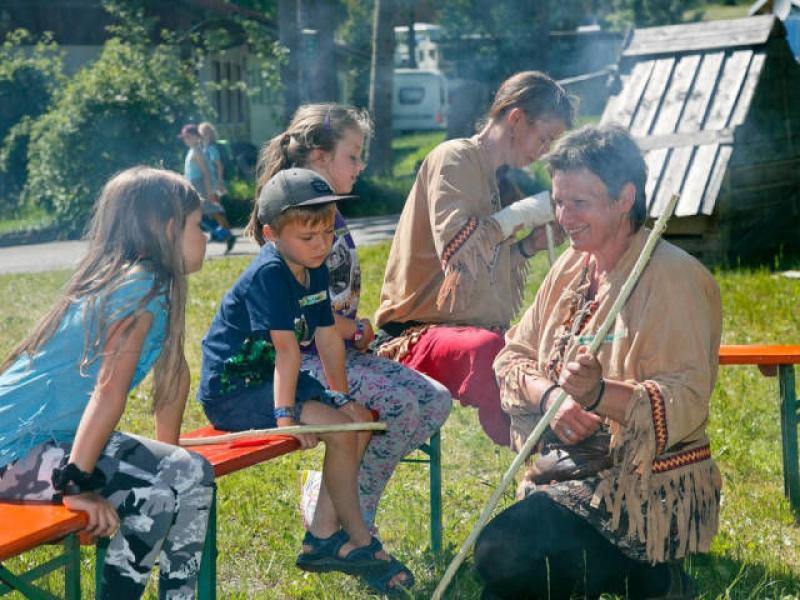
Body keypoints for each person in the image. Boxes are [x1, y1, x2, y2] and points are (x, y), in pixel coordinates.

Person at [474, 125, 722, 599]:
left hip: (644, 487)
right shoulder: (572, 265)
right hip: (569, 472)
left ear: (624, 197)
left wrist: (599, 394)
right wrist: (551, 397)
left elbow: (688, 399)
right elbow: (514, 354)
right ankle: (622, 576)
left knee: (504, 552)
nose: (564, 217)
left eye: (579, 203)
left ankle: (650, 569)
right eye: (558, 201)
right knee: (501, 560)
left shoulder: (674, 278)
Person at [0, 167, 214, 599]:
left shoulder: (152, 285)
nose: (206, 236)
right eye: (198, 225)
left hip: (52, 443)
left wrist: (171, 457)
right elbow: (107, 391)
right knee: (152, 495)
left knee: (192, 472)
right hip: (12, 449)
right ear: (169, 228)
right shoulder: (140, 287)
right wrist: (75, 487)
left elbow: (172, 376)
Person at [198, 168, 414, 595]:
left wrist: (341, 395)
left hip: (273, 378)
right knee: (339, 427)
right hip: (234, 389)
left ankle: (322, 538)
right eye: (308, 237)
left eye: (327, 233)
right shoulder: (270, 273)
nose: (321, 246)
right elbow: (286, 351)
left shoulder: (312, 267)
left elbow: (328, 337)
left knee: (356, 420)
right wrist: (285, 417)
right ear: (271, 234)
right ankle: (359, 540)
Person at [250, 103, 452, 531]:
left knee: (434, 400)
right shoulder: (296, 222)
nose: (361, 166)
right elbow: (299, 318)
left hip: (342, 353)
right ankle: (352, 521)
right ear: (319, 157)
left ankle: (334, 498)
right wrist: (355, 328)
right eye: (353, 156)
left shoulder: (328, 216)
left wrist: (354, 332)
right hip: (307, 363)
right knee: (399, 406)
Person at [374, 71, 574, 447]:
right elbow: (459, 252)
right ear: (515, 118)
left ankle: (549, 452)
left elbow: (484, 265)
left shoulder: (493, 176)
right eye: (543, 137)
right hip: (412, 335)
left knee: (544, 349)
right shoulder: (455, 157)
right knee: (488, 350)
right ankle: (540, 449)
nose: (544, 150)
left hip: (457, 331)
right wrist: (519, 215)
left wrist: (528, 247)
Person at [178, 123, 236, 253]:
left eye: (188, 137)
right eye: (184, 137)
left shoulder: (197, 152)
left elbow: (206, 173)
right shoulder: (192, 151)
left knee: (198, 215)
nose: (185, 140)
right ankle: (224, 234)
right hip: (194, 186)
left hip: (199, 187)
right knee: (199, 215)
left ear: (196, 137)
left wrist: (209, 191)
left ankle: (225, 235)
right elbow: (190, 172)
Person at [199, 121, 226, 198]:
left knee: (214, 204)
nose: (202, 136)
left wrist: (220, 182)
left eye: (205, 133)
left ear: (210, 135)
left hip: (213, 181)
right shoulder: (202, 148)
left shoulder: (211, 149)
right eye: (201, 133)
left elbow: (219, 166)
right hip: (205, 181)